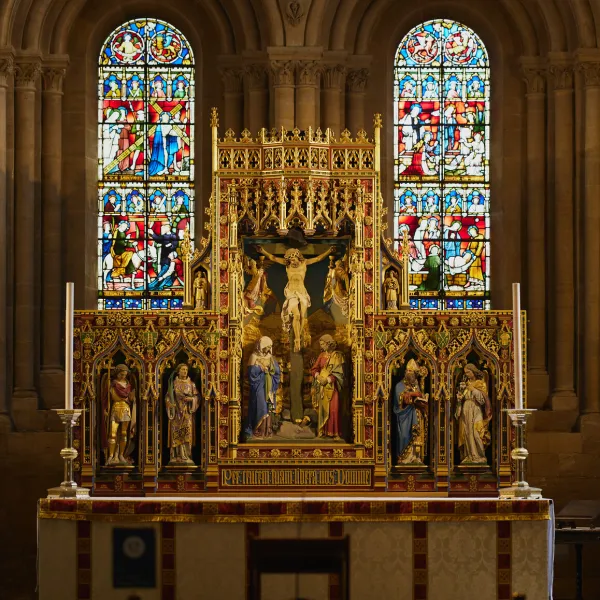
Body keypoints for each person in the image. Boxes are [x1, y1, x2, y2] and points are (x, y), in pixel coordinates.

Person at [256, 245, 332, 352]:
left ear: (297, 257)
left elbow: (318, 258)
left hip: (302, 292)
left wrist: (329, 250)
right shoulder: (287, 265)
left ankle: (299, 335)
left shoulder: (304, 263)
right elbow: (273, 258)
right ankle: (297, 339)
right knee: (296, 315)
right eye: (290, 260)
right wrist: (263, 251)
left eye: (293, 259)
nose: (291, 261)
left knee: (302, 316)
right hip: (291, 292)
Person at [392, 359, 428, 465]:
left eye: (413, 373)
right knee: (404, 435)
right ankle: (404, 457)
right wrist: (413, 395)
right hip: (404, 416)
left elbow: (420, 397)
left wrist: (422, 400)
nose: (411, 375)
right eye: (409, 372)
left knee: (417, 435)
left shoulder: (416, 386)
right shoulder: (399, 385)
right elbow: (399, 400)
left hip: (416, 415)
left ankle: (416, 457)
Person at [455, 363, 492, 464]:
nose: (466, 374)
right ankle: (469, 455)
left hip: (476, 408)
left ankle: (480, 456)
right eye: (465, 372)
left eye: (468, 372)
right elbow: (461, 398)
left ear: (473, 371)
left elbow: (482, 400)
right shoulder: (465, 384)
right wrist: (459, 398)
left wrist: (474, 390)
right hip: (466, 408)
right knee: (467, 432)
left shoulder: (480, 383)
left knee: (476, 432)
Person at [311, 334, 346, 439]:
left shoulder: (338, 356)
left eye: (323, 344)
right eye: (320, 344)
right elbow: (314, 369)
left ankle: (335, 433)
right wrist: (318, 377)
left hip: (332, 387)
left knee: (333, 409)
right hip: (322, 387)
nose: (321, 346)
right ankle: (322, 432)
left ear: (328, 343)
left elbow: (339, 373)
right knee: (323, 409)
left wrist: (328, 379)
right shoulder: (321, 355)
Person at [245, 337, 280, 439]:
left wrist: (270, 369)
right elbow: (251, 373)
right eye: (267, 347)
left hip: (269, 386)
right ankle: (258, 430)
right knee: (261, 406)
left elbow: (277, 371)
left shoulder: (271, 357)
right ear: (262, 346)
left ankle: (267, 430)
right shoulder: (254, 357)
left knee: (268, 407)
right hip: (259, 386)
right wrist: (260, 368)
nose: (269, 349)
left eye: (270, 347)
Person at [101, 364, 136, 466]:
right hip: (115, 409)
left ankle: (121, 455)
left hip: (125, 409)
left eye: (125, 374)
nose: (123, 376)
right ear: (117, 373)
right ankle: (111, 456)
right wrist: (105, 409)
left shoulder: (128, 384)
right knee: (112, 434)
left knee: (124, 433)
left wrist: (132, 397)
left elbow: (130, 398)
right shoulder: (112, 384)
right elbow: (105, 398)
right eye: (121, 374)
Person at [165, 363, 199, 464]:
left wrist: (191, 399)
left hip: (187, 412)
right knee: (176, 433)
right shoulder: (173, 383)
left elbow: (197, 397)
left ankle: (186, 455)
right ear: (178, 371)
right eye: (183, 369)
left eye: (186, 370)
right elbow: (167, 397)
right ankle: (176, 455)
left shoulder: (191, 384)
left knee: (187, 433)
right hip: (176, 413)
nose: (185, 371)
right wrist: (170, 404)